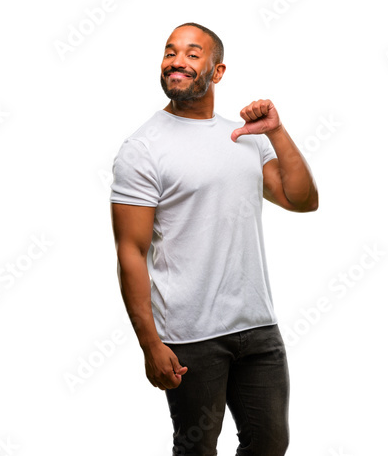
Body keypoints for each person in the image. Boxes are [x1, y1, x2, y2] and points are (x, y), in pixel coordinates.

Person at [110, 22, 318, 456]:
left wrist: (276, 132)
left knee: (269, 443)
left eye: (191, 53)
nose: (176, 62)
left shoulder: (244, 137)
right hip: (190, 335)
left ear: (217, 71)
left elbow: (302, 199)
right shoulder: (143, 148)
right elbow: (130, 251)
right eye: (170, 53)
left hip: (258, 326)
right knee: (196, 449)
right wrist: (150, 342)